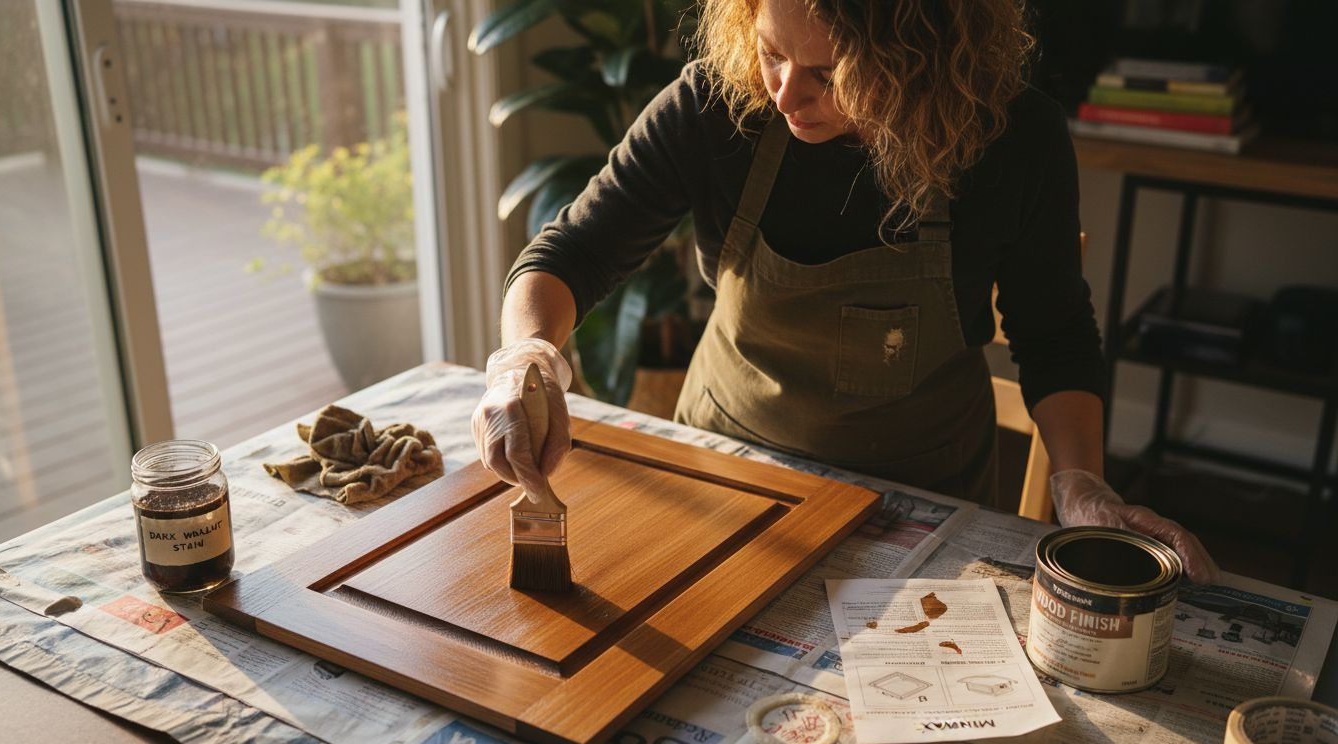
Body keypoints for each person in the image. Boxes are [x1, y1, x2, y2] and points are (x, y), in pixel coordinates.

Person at [472, 0, 1218, 582]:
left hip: (926, 503)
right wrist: (525, 356)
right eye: (770, 51)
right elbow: (572, 252)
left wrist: (1081, 483)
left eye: (829, 74)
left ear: (922, 58)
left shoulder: (1013, 138)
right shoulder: (713, 106)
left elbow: (1054, 334)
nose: (787, 94)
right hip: (729, 477)